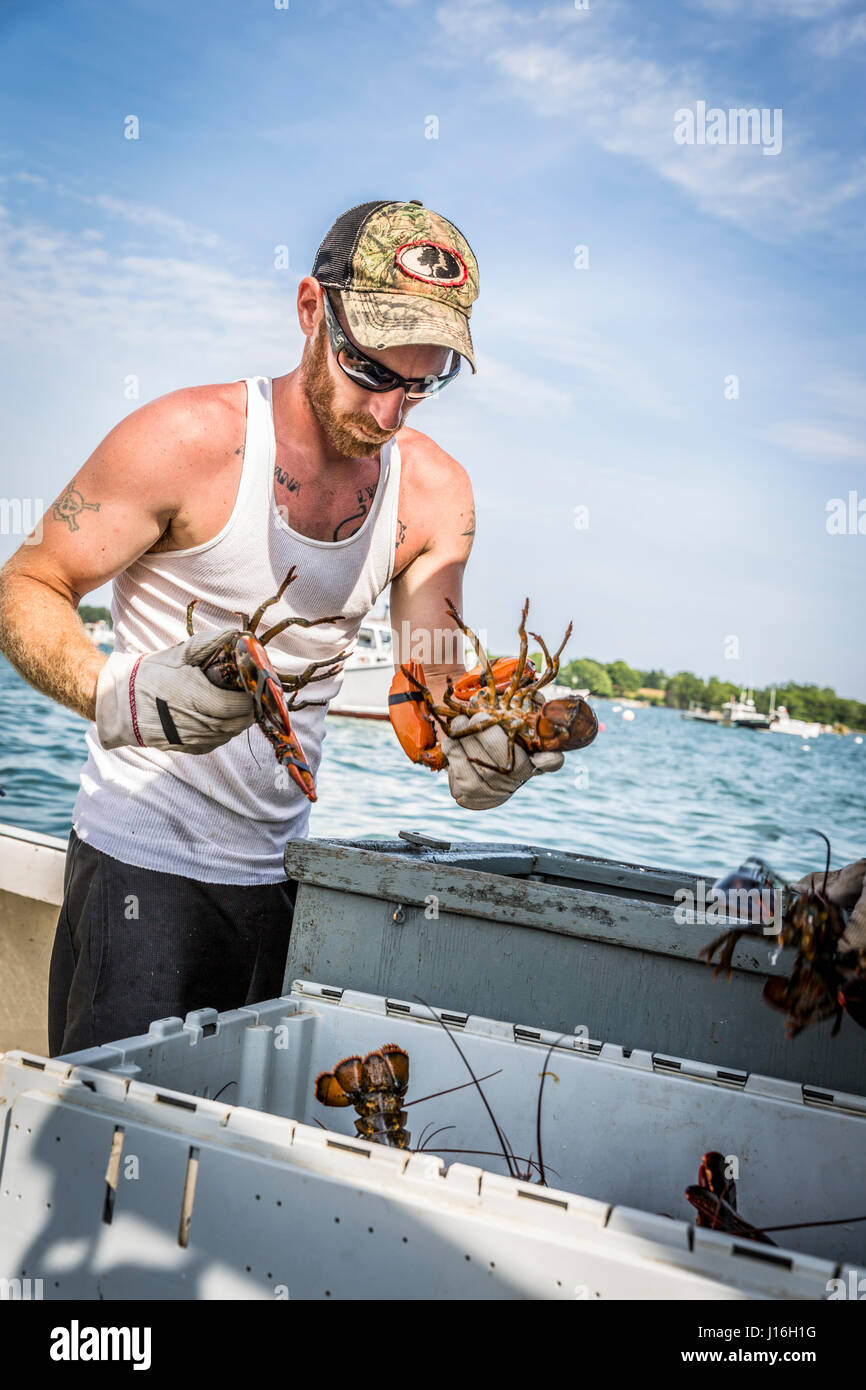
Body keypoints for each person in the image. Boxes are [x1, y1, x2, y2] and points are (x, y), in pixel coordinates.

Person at [0, 199, 563, 1054]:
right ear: (311, 310)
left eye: (424, 383)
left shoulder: (437, 497)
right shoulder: (184, 441)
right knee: (112, 1136)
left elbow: (436, 679)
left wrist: (481, 749)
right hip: (135, 867)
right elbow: (28, 584)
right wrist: (117, 693)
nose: (390, 416)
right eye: (369, 370)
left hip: (283, 883)